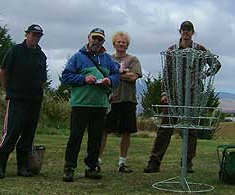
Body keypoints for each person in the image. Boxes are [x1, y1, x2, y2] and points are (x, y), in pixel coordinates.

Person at [143, 20, 221, 173]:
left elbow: (216, 64)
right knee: (165, 128)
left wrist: (202, 75)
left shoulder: (200, 49)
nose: (186, 32)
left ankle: (187, 162)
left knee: (191, 130)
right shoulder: (172, 50)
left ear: (193, 32)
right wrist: (164, 92)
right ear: (180, 31)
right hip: (173, 96)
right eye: (183, 29)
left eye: (189, 29)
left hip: (192, 95)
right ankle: (154, 162)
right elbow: (166, 73)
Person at [61, 28, 120, 182]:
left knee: (95, 139)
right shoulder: (77, 57)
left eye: (100, 39)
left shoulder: (107, 59)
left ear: (103, 42)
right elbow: (66, 76)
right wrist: (84, 79)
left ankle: (92, 167)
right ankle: (69, 167)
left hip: (100, 105)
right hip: (80, 103)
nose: (96, 41)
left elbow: (116, 75)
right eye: (94, 38)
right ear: (88, 38)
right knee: (76, 137)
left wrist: (110, 81)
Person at [0, 24, 47, 179]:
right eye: (33, 34)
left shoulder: (41, 55)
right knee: (11, 133)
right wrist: (8, 91)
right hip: (17, 99)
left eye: (39, 35)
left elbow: (43, 78)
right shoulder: (15, 51)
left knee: (28, 134)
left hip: (35, 101)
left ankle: (22, 167)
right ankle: (0, 167)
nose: (36, 38)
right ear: (27, 34)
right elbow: (2, 72)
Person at [99, 31, 142, 173]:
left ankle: (122, 163)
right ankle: (96, 161)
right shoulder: (107, 58)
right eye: (119, 41)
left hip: (128, 100)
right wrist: (123, 72)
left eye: (124, 42)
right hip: (110, 100)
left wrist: (116, 74)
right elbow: (104, 75)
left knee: (126, 132)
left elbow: (133, 77)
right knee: (103, 130)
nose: (121, 44)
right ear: (114, 44)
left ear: (127, 44)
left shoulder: (133, 59)